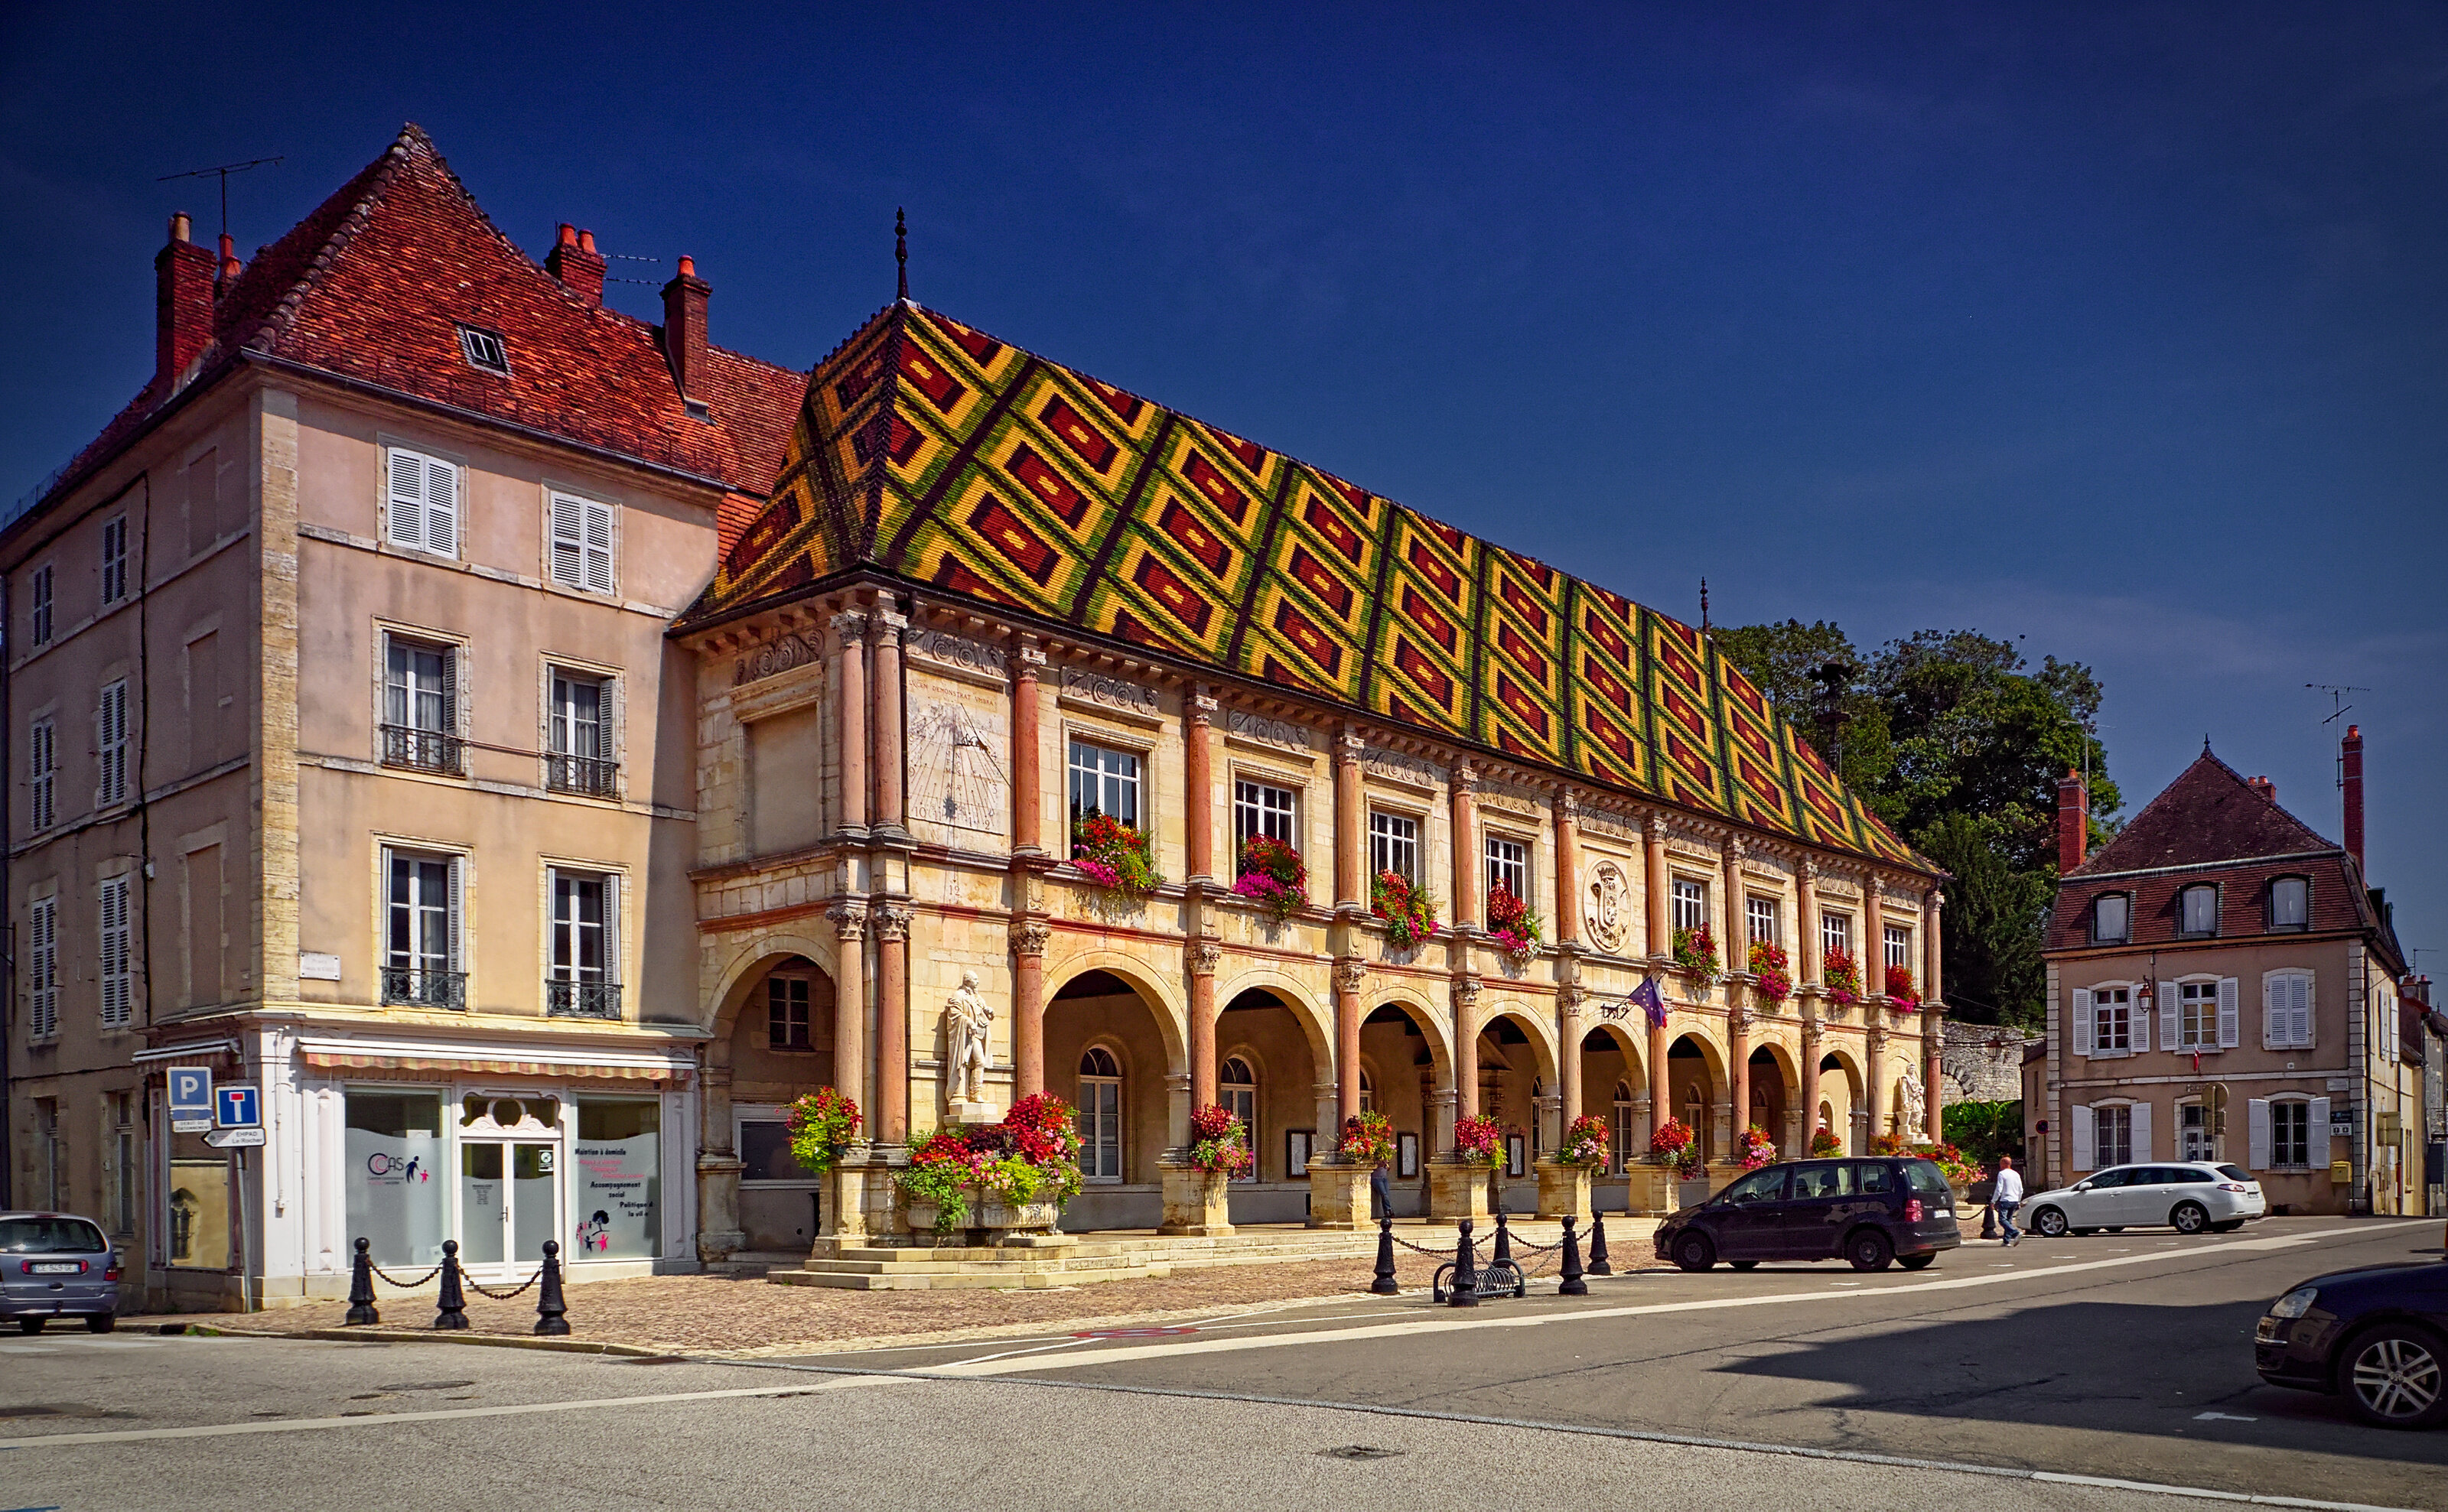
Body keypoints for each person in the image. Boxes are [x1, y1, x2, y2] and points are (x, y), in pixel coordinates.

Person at [1992, 1156, 2024, 1246]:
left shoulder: (2002, 1174)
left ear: (2003, 1164)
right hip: (2014, 1199)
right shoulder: (2016, 1174)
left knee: (2002, 1219)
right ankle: (2006, 1240)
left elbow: (1999, 1189)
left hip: (2006, 1199)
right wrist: (2018, 1200)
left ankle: (2015, 1233)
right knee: (2008, 1220)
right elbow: (2021, 1189)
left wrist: (1993, 1201)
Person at [1370, 1158, 1392, 1222]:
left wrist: (1387, 1164)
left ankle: (1387, 1212)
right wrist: (1379, 1164)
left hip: (1384, 1178)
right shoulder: (1374, 1157)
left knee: (1386, 1195)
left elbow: (1388, 1168)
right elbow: (1372, 1166)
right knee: (1384, 1194)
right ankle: (1389, 1210)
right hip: (1376, 1178)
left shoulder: (1385, 1158)